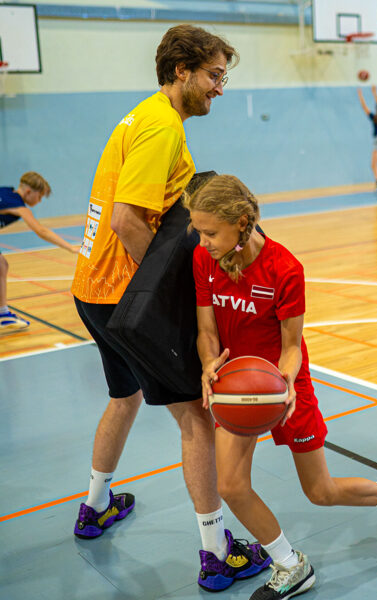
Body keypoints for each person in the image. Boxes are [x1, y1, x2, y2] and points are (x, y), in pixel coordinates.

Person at [70, 25, 271, 591]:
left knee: (123, 395)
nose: (220, 88)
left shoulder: (144, 116)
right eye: (213, 76)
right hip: (121, 295)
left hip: (90, 289)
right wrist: (167, 297)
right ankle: (216, 550)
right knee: (196, 418)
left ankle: (96, 505)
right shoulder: (160, 127)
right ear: (180, 71)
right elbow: (126, 221)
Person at [188, 175, 377, 600]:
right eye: (198, 229)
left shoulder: (285, 269)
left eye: (210, 231)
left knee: (320, 492)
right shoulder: (202, 259)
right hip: (236, 388)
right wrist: (208, 362)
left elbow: (291, 348)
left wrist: (285, 383)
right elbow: (206, 328)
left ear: (242, 223)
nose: (202, 239)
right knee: (230, 485)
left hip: (283, 385)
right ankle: (291, 565)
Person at [0, 172, 77, 332]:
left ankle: (3, 314)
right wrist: (69, 247)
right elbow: (41, 231)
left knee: (2, 265)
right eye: (40, 196)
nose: (40, 201)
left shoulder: (6, 191)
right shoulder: (18, 205)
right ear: (29, 192)